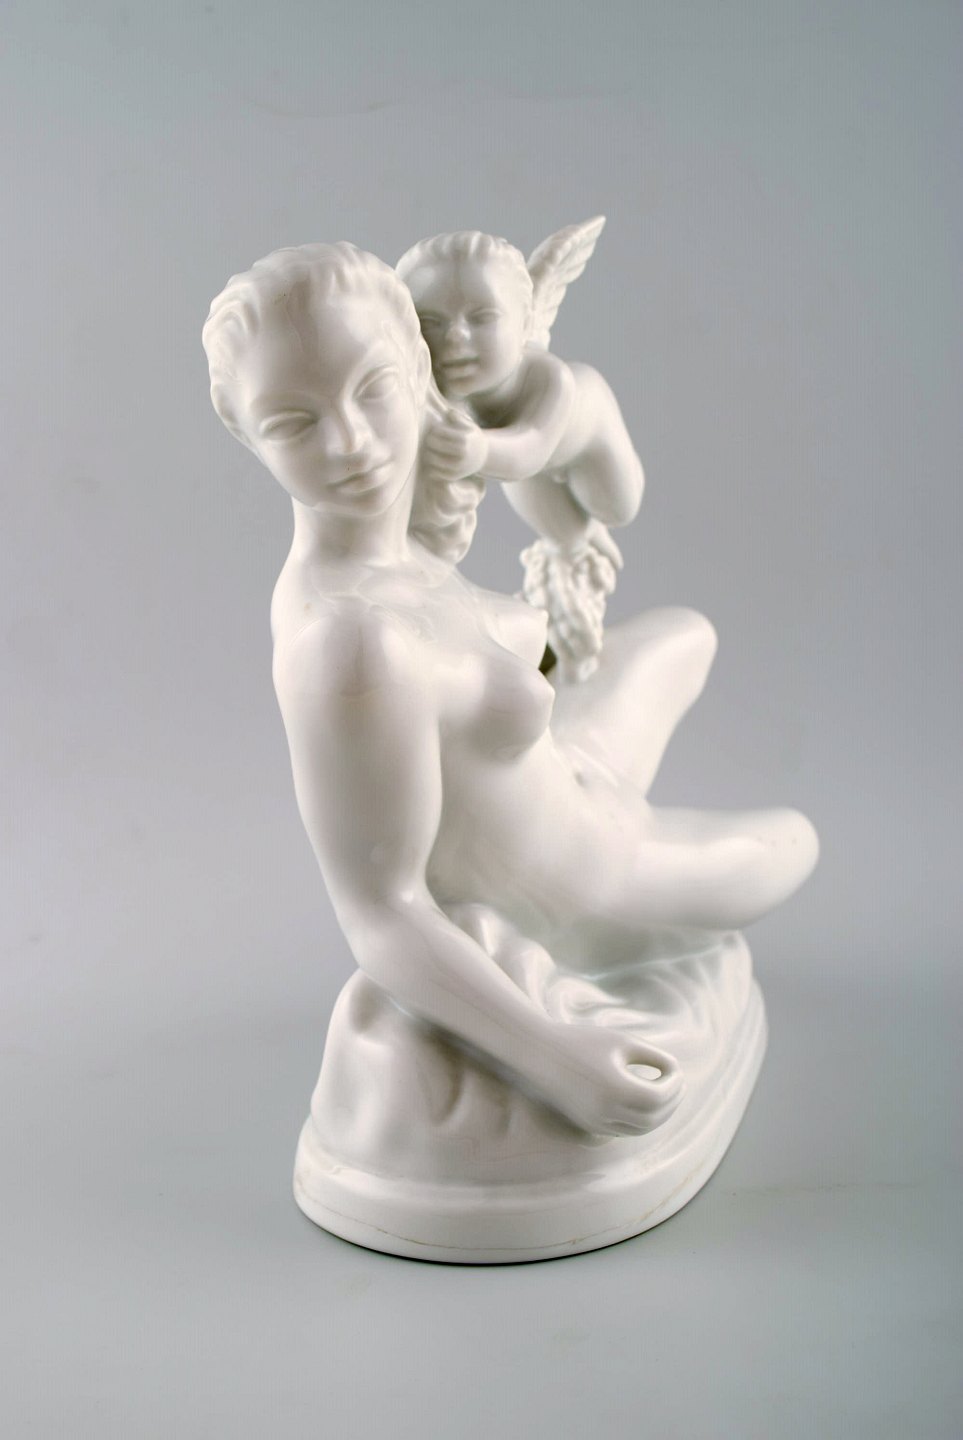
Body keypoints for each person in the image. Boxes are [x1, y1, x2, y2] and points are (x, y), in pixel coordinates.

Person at [202, 242, 818, 1143]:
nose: (351, 446)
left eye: (373, 389)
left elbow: (538, 429)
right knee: (791, 844)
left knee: (682, 636)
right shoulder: (351, 644)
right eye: (293, 423)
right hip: (594, 879)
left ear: (417, 371)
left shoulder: (396, 545)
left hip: (571, 773)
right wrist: (562, 1060)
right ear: (245, 435)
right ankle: (633, 911)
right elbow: (380, 909)